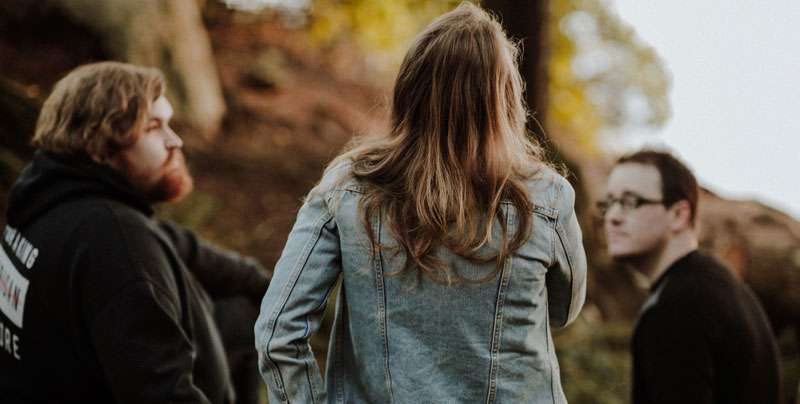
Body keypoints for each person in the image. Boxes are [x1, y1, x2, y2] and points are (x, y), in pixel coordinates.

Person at [255, 3, 587, 403]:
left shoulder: (348, 187)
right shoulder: (547, 198)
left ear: (409, 88)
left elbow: (277, 333)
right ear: (505, 98)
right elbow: (563, 311)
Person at [0, 61, 270, 403]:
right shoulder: (115, 243)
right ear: (99, 145)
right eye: (154, 127)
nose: (176, 141)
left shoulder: (47, 197)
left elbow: (186, 248)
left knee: (245, 312)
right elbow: (163, 396)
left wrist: (283, 296)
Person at [599, 150, 780, 404]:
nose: (612, 217)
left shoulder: (678, 305)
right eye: (608, 204)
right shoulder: (721, 286)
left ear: (678, 215)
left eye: (630, 202)